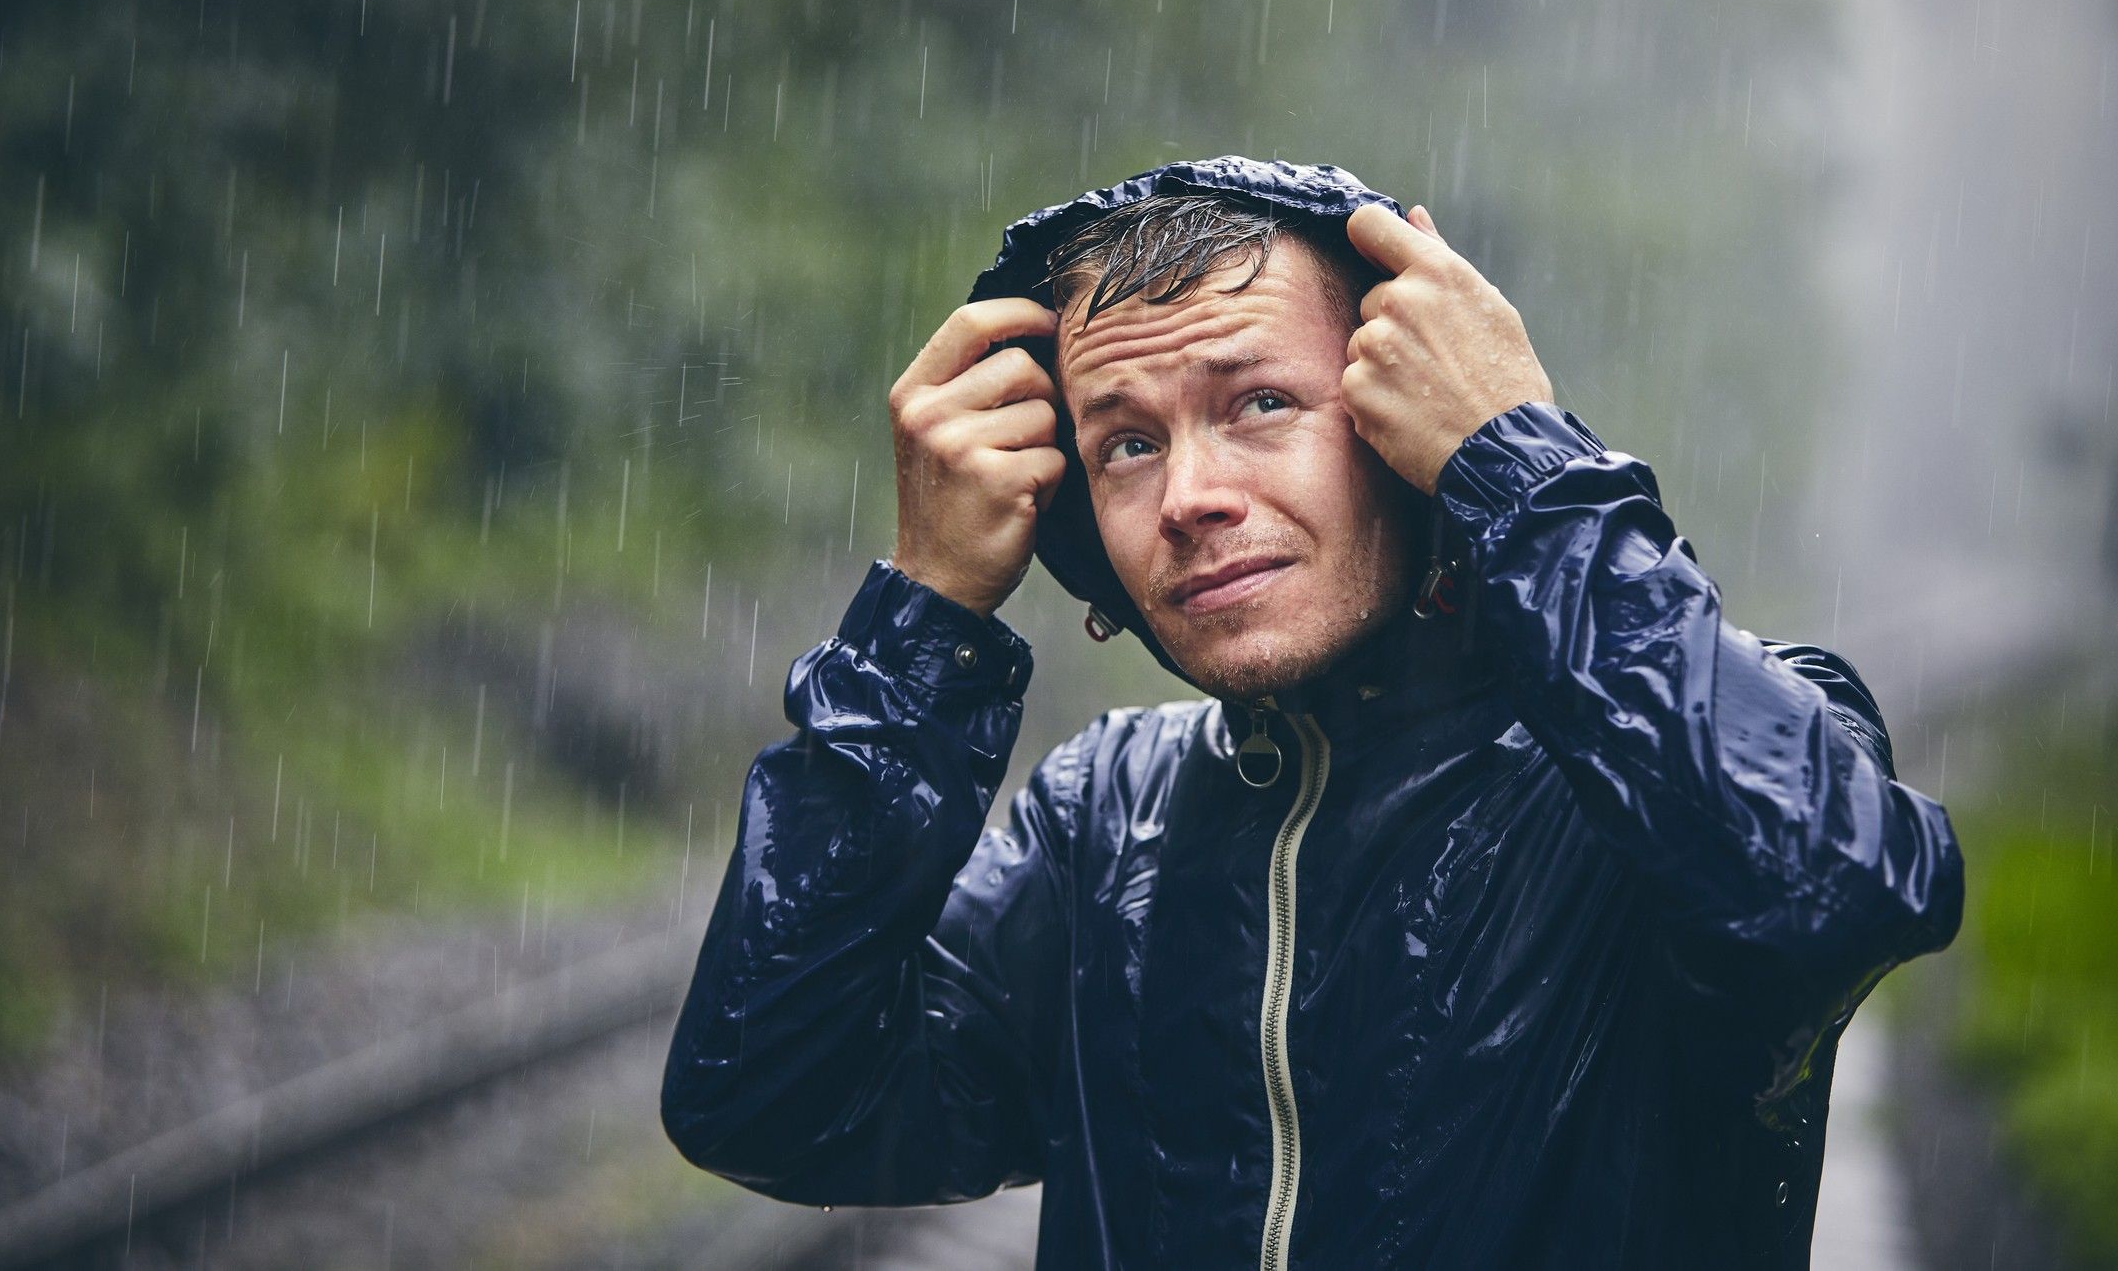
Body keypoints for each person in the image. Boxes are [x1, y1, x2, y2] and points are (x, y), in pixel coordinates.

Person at [659, 156, 1964, 1269]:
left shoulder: (1647, 783)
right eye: (1124, 442)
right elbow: (768, 1096)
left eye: (1261, 404)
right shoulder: (1102, 829)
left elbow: (1832, 887)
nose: (1188, 494)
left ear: (1412, 431)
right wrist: (925, 618)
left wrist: (1517, 459)